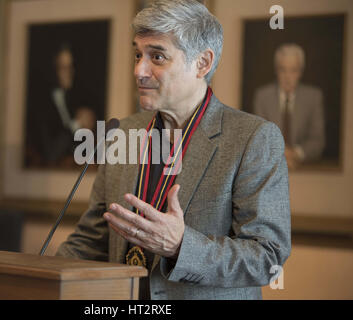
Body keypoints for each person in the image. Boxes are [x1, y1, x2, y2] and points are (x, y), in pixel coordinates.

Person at [56, 0, 291, 300]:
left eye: (157, 56)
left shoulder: (253, 138)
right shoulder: (121, 133)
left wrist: (180, 246)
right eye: (138, 54)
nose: (139, 70)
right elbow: (92, 240)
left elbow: (267, 257)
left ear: (202, 63)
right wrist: (38, 277)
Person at [253, 43, 325, 170]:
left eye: (293, 70)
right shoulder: (262, 97)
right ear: (276, 71)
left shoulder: (314, 97)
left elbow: (317, 141)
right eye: (283, 70)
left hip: (307, 172)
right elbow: (260, 139)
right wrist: (282, 154)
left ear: (301, 72)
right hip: (270, 170)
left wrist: (296, 154)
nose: (288, 77)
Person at [25, 45, 96, 167]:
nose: (69, 72)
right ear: (53, 69)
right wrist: (77, 124)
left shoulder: (74, 98)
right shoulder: (40, 104)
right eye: (63, 68)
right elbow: (50, 153)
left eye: (70, 66)